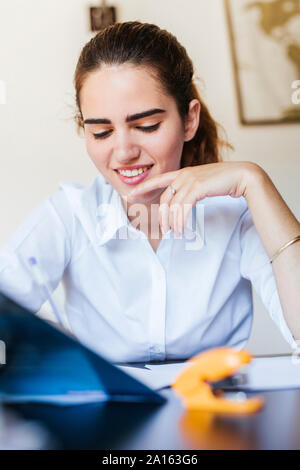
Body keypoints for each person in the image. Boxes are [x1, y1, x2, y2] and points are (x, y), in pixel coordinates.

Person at [0, 21, 299, 363]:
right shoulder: (70, 214)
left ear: (189, 120)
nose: (124, 151)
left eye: (146, 126)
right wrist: (58, 346)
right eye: (101, 132)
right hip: (111, 414)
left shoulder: (235, 213)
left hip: (215, 407)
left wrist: (254, 180)